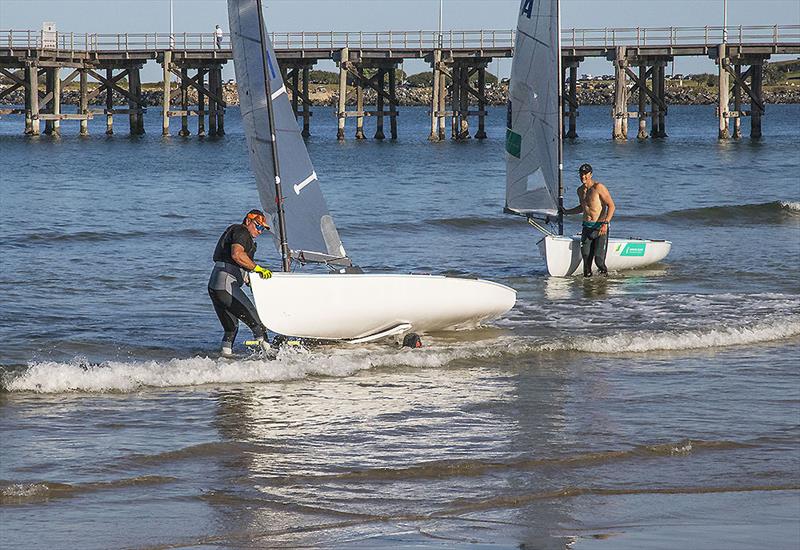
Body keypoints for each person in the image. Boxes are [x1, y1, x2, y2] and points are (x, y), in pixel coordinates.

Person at [208, 209, 273, 356]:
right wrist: (258, 268)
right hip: (225, 284)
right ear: (248, 221)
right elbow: (237, 255)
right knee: (258, 325)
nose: (260, 230)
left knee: (231, 329)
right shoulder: (241, 231)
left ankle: (225, 360)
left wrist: (248, 278)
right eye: (258, 226)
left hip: (215, 285)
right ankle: (270, 358)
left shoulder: (238, 234)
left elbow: (235, 262)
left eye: (263, 228)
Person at [562, 163, 616, 277]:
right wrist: (566, 212)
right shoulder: (580, 190)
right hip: (586, 228)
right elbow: (582, 207)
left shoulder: (598, 187)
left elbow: (611, 206)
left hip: (600, 228)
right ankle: (588, 289)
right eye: (581, 174)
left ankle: (604, 283)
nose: (583, 177)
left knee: (599, 261)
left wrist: (605, 223)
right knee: (586, 264)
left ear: (590, 174)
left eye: (586, 174)